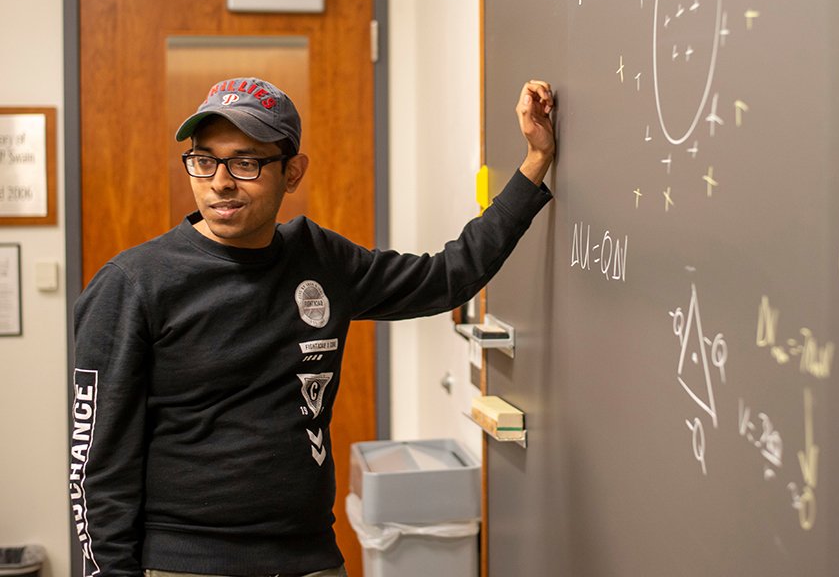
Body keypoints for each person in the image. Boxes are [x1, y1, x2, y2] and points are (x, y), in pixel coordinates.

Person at [69, 76, 555, 577]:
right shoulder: (133, 284)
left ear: (292, 172)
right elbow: (97, 467)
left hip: (310, 559)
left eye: (246, 162)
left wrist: (534, 162)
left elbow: (446, 278)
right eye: (204, 160)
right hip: (186, 563)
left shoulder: (321, 258)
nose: (219, 182)